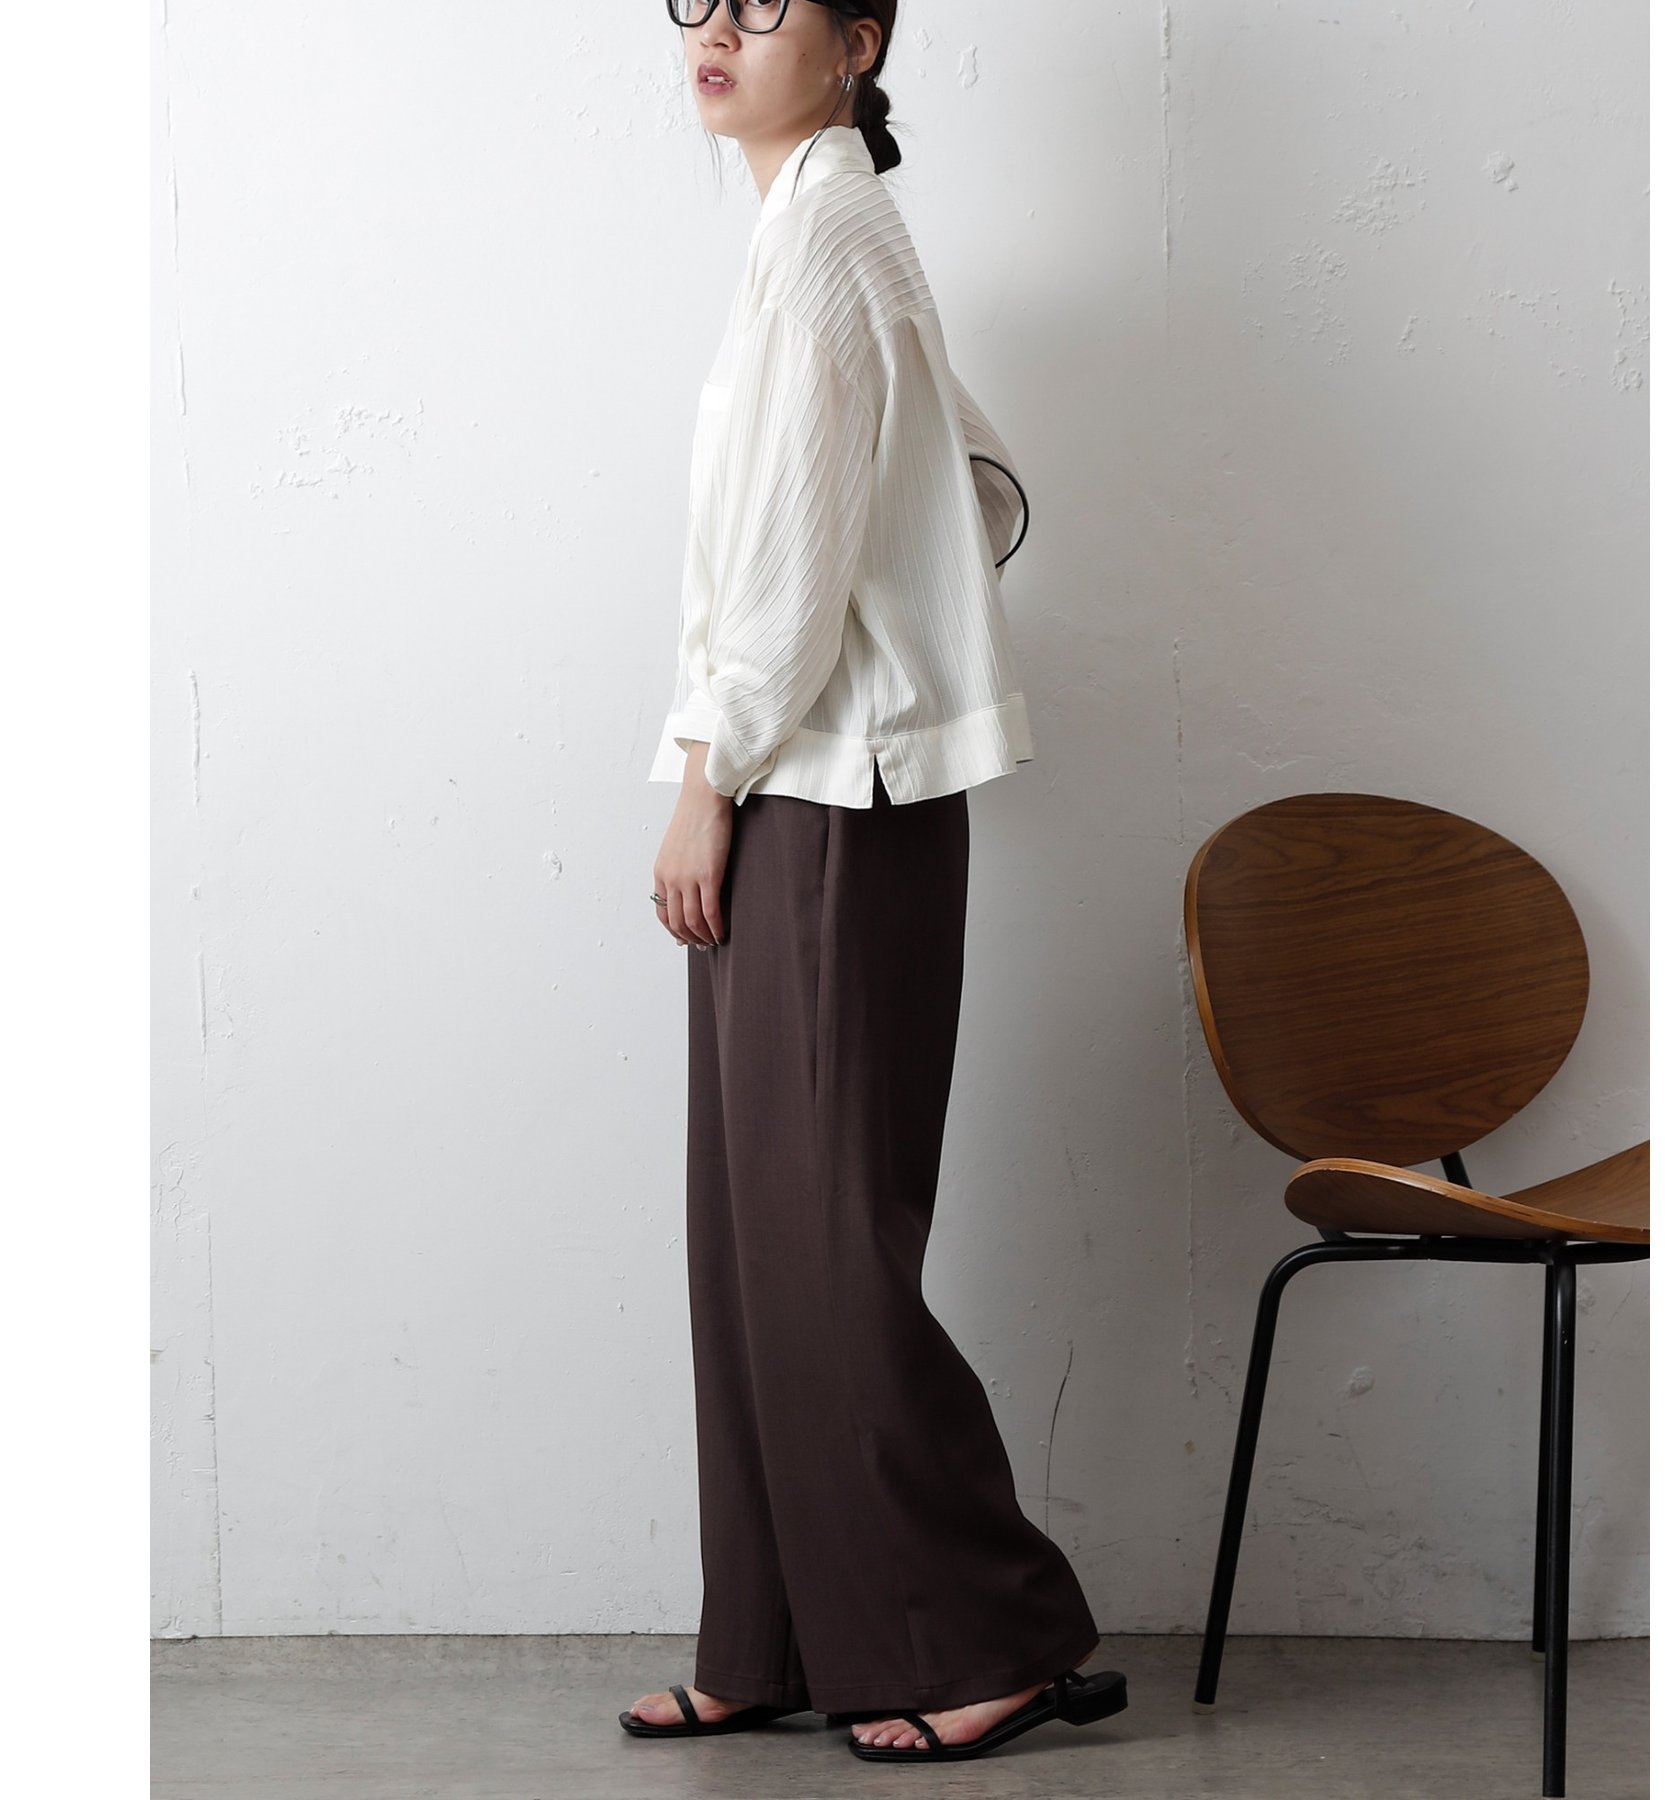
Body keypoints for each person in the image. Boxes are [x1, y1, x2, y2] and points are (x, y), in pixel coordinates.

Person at [623, 0, 1127, 1764]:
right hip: (815, 780)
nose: (717, 29)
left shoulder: (831, 231)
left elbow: (788, 560)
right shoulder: (813, 227)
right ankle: (770, 1633)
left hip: (827, 793)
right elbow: (970, 485)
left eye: (765, 3)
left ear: (859, 37)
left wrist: (713, 770)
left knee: (827, 1243)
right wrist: (913, 611)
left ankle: (993, 1631)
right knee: (753, 1238)